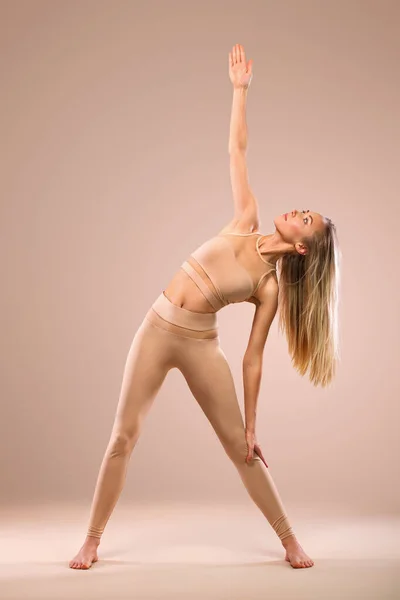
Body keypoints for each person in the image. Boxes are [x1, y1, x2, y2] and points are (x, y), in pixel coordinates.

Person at [69, 44, 340, 570]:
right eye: (304, 209)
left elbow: (252, 358)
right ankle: (92, 540)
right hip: (156, 327)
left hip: (199, 346)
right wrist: (239, 92)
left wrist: (254, 425)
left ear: (304, 247)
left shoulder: (270, 289)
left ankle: (289, 540)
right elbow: (236, 152)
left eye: (306, 219)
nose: (298, 211)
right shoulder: (246, 217)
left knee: (241, 448)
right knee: (123, 435)